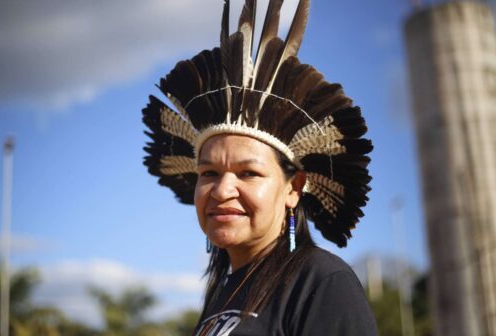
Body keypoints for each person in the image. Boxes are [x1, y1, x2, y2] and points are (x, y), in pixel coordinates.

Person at [142, 0, 377, 335]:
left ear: (293, 189)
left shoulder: (321, 281)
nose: (222, 190)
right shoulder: (221, 295)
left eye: (248, 173)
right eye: (208, 173)